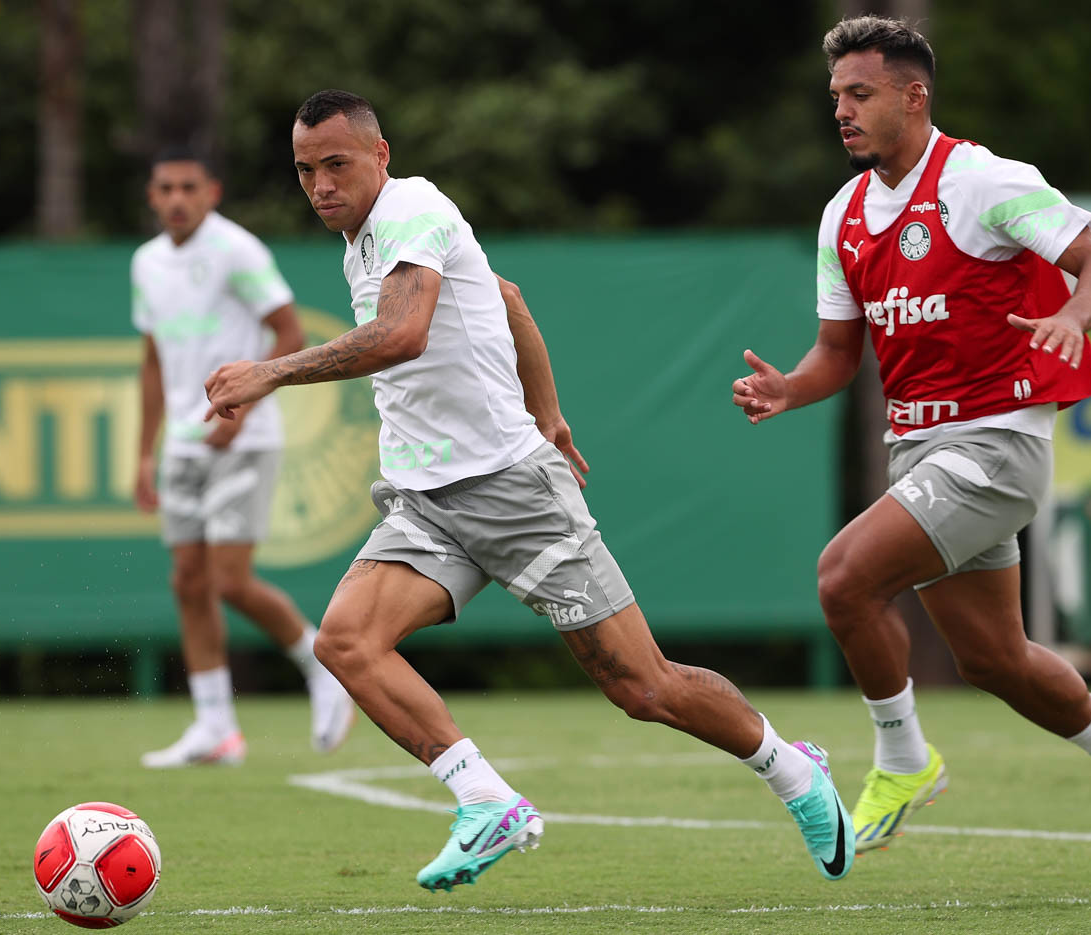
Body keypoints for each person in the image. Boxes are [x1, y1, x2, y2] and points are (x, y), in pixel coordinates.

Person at [202, 89, 854, 891]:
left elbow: (402, 335)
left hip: (513, 493)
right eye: (305, 170)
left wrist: (271, 369)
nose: (320, 185)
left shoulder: (412, 208)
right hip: (427, 500)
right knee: (346, 641)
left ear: (381, 155)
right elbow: (507, 298)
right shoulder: (364, 239)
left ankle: (792, 770)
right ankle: (484, 800)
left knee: (643, 686)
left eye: (336, 164)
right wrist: (548, 410)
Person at [731, 16, 1091, 877]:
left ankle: (903, 760)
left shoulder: (983, 179)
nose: (843, 111)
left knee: (842, 578)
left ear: (914, 95)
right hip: (921, 453)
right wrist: (791, 388)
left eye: (860, 94)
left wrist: (1069, 316)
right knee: (995, 659)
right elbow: (838, 355)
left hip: (996, 446)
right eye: (835, 96)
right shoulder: (846, 214)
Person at [133, 148, 354, 767]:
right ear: (153, 197)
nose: (177, 198)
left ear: (212, 192)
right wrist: (142, 454)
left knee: (229, 580)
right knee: (188, 581)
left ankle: (323, 666)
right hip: (181, 442)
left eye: (188, 187)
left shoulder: (238, 251)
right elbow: (152, 362)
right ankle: (216, 729)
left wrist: (245, 412)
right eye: (165, 187)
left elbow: (290, 334)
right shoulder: (146, 263)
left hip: (243, 438)